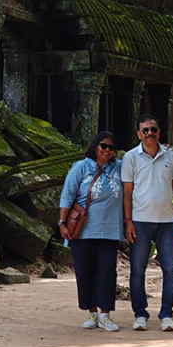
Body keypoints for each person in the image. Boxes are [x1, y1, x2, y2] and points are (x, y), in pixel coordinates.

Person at [121, 114, 173, 333]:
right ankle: (140, 314)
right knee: (137, 270)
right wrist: (128, 221)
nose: (150, 133)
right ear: (139, 134)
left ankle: (166, 315)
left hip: (167, 222)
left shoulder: (171, 155)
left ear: (159, 132)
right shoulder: (130, 157)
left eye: (153, 130)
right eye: (145, 130)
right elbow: (127, 192)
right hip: (140, 221)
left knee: (171, 270)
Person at [58, 130, 124, 332]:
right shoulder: (81, 167)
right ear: (95, 147)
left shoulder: (119, 167)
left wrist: (165, 148)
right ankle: (92, 313)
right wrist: (62, 223)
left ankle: (105, 315)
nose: (107, 151)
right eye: (103, 146)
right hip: (83, 230)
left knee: (107, 272)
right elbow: (68, 194)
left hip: (110, 230)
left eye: (111, 148)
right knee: (85, 271)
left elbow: (140, 159)